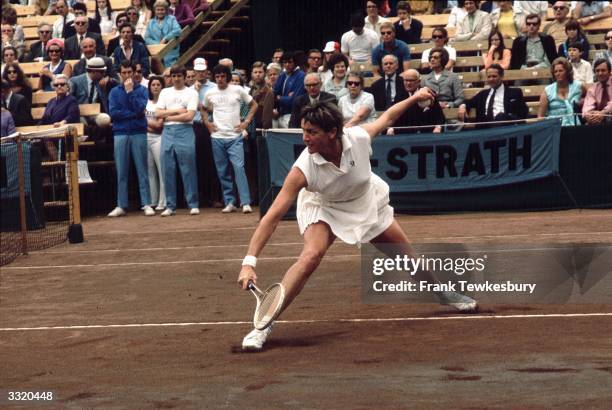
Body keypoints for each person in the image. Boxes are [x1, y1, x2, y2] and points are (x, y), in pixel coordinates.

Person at [237, 90, 479, 350]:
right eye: (303, 130)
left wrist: (413, 98)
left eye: (311, 132)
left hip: (365, 202)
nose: (305, 138)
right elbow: (271, 217)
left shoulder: (359, 137)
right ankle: (264, 324)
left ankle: (442, 294)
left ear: (332, 132)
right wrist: (249, 262)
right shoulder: (302, 169)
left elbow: (387, 118)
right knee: (310, 257)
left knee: (408, 258)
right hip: (324, 207)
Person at [203, 64, 257, 214]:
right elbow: (202, 108)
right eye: (217, 76)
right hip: (217, 137)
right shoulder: (209, 93)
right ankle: (230, 201)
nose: (220, 79)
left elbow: (254, 105)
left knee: (239, 168)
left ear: (227, 77)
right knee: (222, 171)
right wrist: (208, 123)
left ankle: (245, 202)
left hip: (235, 137)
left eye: (222, 76)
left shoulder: (238, 90)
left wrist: (246, 122)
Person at [107, 61, 152, 217]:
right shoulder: (113, 92)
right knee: (121, 171)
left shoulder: (143, 90)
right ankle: (121, 205)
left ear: (134, 73)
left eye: (129, 72)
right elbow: (114, 113)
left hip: (138, 132)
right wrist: (133, 114)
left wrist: (130, 92)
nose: (127, 75)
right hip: (120, 133)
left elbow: (141, 109)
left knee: (142, 169)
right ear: (120, 73)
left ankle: (146, 203)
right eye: (124, 72)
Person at [155, 65, 200, 216]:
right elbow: (157, 113)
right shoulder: (164, 92)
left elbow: (189, 116)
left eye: (179, 76)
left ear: (184, 76)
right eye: (173, 76)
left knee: (188, 168)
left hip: (185, 130)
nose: (176, 79)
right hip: (167, 132)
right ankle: (170, 206)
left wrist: (168, 117)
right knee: (167, 168)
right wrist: (176, 111)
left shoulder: (192, 93)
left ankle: (193, 204)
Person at [458, 64, 528, 126]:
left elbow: (523, 112)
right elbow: (468, 102)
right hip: (485, 130)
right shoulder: (482, 94)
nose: (491, 79)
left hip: (505, 128)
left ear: (502, 76)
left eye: (494, 76)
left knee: (500, 117)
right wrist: (462, 106)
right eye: (489, 77)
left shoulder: (515, 93)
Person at [387, 69, 444, 134]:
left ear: (419, 81)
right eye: (406, 80)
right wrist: (391, 128)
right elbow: (395, 116)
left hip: (427, 134)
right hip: (406, 134)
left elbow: (439, 116)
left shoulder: (429, 93)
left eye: (411, 80)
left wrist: (438, 127)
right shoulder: (399, 96)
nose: (408, 83)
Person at [39, 74, 80, 160]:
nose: (59, 86)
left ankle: (58, 164)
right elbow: (44, 119)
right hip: (50, 132)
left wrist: (62, 123)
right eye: (56, 85)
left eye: (62, 84)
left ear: (68, 86)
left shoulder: (71, 100)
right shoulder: (51, 101)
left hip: (63, 133)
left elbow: (72, 115)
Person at [538, 57, 587, 127]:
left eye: (561, 71)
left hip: (575, 126)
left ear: (567, 72)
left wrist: (583, 101)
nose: (558, 73)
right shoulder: (547, 90)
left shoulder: (579, 86)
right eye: (555, 71)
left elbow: (590, 99)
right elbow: (540, 116)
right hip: (554, 127)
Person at [146, 75, 166, 210]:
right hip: (145, 138)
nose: (155, 87)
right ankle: (153, 200)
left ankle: (163, 202)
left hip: (159, 138)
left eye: (158, 85)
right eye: (153, 85)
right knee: (150, 171)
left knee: (162, 170)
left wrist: (144, 121)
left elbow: (159, 126)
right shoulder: (146, 102)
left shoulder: (164, 104)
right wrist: (148, 125)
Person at [273, 51, 306, 128]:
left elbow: (294, 100)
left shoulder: (301, 76)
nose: (287, 65)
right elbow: (274, 93)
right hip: (279, 113)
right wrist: (283, 97)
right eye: (284, 62)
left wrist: (279, 97)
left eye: (290, 62)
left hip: (292, 115)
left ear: (295, 63)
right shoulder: (282, 75)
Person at [145, 1, 182, 68]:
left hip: (170, 50)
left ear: (166, 10)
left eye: (162, 10)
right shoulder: (151, 22)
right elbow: (147, 38)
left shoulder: (171, 19)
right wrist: (158, 44)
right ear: (155, 11)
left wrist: (166, 38)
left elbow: (177, 30)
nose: (160, 12)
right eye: (158, 10)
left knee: (170, 70)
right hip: (156, 51)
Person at [582, 59, 612, 125]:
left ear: (610, 72)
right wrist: (589, 116)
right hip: (599, 120)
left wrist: (604, 112)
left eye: (603, 70)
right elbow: (586, 108)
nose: (600, 73)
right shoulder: (592, 88)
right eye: (597, 71)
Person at [250, 61, 275, 129]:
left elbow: (267, 117)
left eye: (260, 72)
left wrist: (264, 131)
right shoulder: (250, 89)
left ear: (265, 74)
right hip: (249, 127)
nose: (258, 74)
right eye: (255, 72)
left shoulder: (268, 92)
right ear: (252, 74)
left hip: (260, 129)